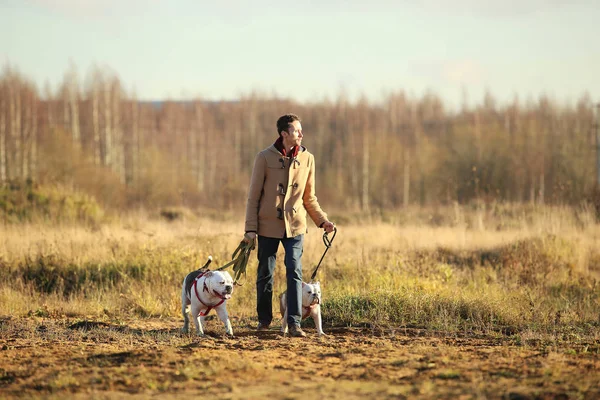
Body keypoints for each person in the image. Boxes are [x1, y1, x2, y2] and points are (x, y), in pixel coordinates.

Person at [244, 113, 335, 337]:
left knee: (294, 270)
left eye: (301, 130)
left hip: (295, 225)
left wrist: (322, 220)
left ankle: (294, 324)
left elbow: (309, 197)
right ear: (284, 134)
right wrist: (250, 229)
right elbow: (253, 197)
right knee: (265, 272)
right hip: (267, 226)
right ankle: (264, 322)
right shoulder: (264, 158)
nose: (301, 134)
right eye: (296, 131)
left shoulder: (308, 159)